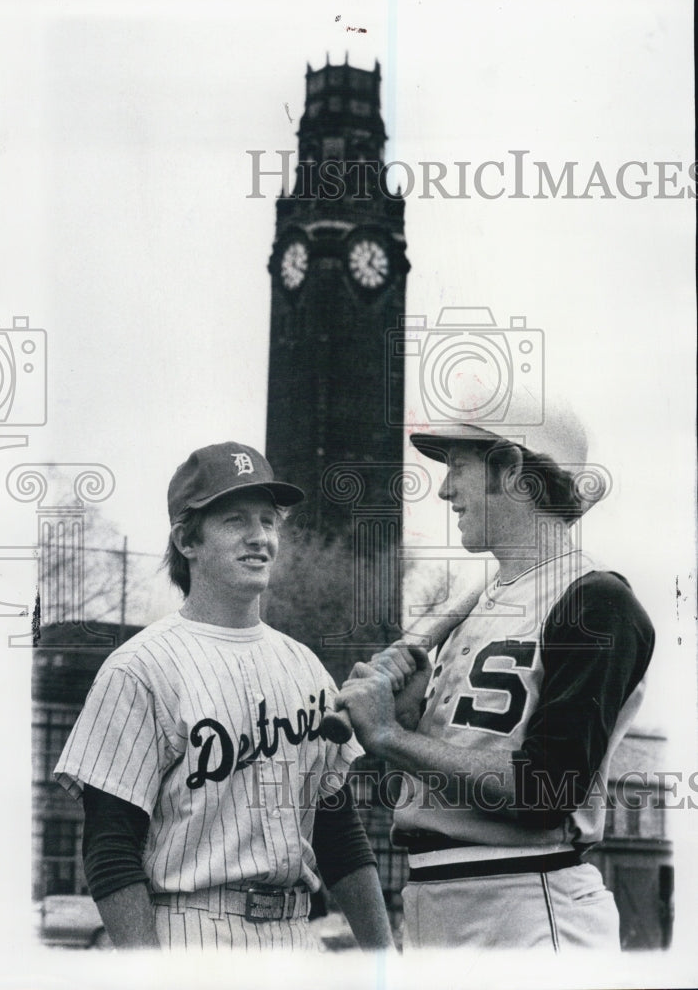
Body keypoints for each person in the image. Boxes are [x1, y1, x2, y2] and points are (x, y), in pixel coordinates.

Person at [335, 405, 655, 951]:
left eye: (457, 466)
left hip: (529, 903)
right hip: (435, 903)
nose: (444, 489)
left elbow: (542, 791)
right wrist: (416, 719)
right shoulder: (479, 606)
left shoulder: (596, 603)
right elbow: (469, 753)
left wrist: (392, 737)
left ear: (510, 469)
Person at [55, 442, 393, 951]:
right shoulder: (139, 668)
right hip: (192, 932)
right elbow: (110, 849)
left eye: (269, 520)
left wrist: (384, 959)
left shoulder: (305, 667)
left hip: (297, 936)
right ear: (187, 540)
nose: (260, 538)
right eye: (236, 520)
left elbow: (338, 834)